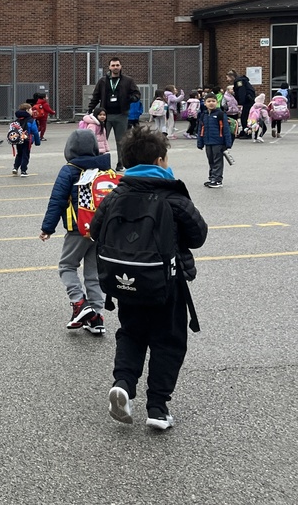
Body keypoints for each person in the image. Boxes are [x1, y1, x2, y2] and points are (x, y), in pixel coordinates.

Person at [91, 126, 207, 431]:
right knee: (168, 341)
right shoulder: (172, 195)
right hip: (168, 285)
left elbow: (94, 231)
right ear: (159, 160)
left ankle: (124, 384)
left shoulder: (117, 194)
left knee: (131, 333)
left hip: (126, 284)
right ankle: (157, 406)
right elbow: (198, 235)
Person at [39, 129, 112, 335]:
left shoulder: (69, 170)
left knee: (67, 266)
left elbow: (57, 201)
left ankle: (79, 303)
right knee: (93, 273)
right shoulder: (104, 168)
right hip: (101, 229)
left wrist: (47, 228)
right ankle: (96, 317)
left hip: (78, 229)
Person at [88, 58, 140, 171]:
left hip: (121, 115)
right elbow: (96, 96)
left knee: (121, 141)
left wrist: (131, 98)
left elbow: (137, 93)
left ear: (120, 66)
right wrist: (90, 109)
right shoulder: (103, 81)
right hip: (104, 116)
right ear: (109, 67)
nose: (115, 67)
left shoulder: (128, 80)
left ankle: (121, 164)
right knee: (101, 140)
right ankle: (100, 164)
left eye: (117, 65)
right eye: (113, 65)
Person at [195, 93, 233, 188]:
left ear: (217, 102)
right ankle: (212, 177)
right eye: (208, 101)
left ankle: (217, 180)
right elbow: (200, 129)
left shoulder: (220, 114)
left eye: (213, 101)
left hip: (218, 142)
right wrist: (200, 142)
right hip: (208, 142)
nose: (211, 103)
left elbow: (226, 130)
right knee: (211, 160)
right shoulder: (203, 115)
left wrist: (228, 143)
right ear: (205, 103)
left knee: (217, 161)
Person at [11, 104, 40, 177]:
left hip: (18, 140)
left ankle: (15, 167)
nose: (32, 111)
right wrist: (37, 141)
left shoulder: (17, 120)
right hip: (27, 140)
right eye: (31, 109)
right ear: (27, 110)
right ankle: (23, 171)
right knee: (25, 155)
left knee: (19, 154)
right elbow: (35, 132)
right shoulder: (31, 120)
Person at [226, 70, 256, 138]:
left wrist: (240, 102)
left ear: (231, 76)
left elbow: (241, 91)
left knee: (245, 117)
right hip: (248, 100)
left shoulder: (239, 82)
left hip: (247, 101)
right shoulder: (240, 81)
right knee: (244, 116)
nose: (227, 79)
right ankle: (244, 131)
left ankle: (247, 133)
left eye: (227, 77)